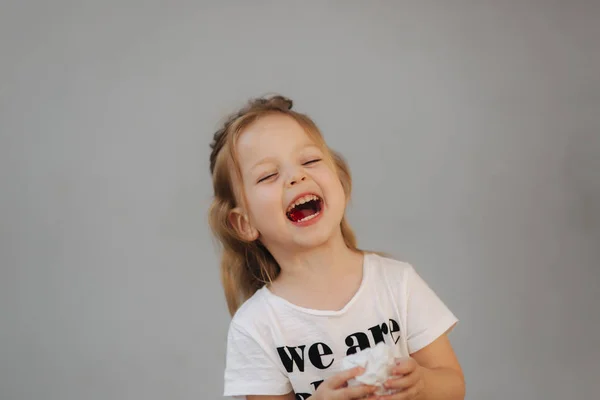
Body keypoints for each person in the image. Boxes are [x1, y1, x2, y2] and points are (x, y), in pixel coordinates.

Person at [208, 95, 465, 400]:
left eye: (310, 161)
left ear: (339, 181)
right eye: (268, 175)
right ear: (244, 223)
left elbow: (453, 385)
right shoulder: (256, 326)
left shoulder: (398, 283)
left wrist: (423, 385)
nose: (296, 176)